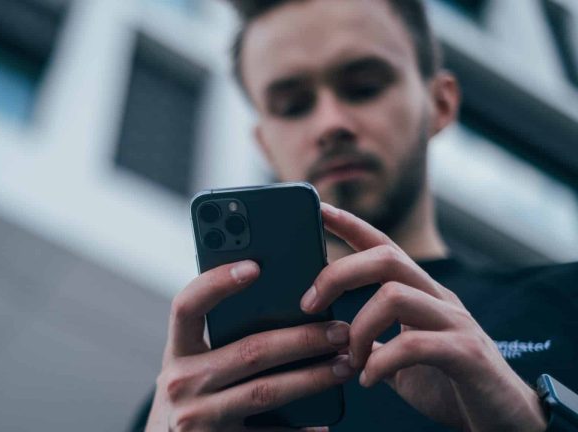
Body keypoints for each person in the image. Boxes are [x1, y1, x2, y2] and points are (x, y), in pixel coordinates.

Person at [130, 0, 578, 430]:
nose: (330, 124)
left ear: (439, 104)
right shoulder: (192, 395)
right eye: (292, 106)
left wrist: (531, 420)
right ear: (266, 144)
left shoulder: (566, 302)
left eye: (364, 87)